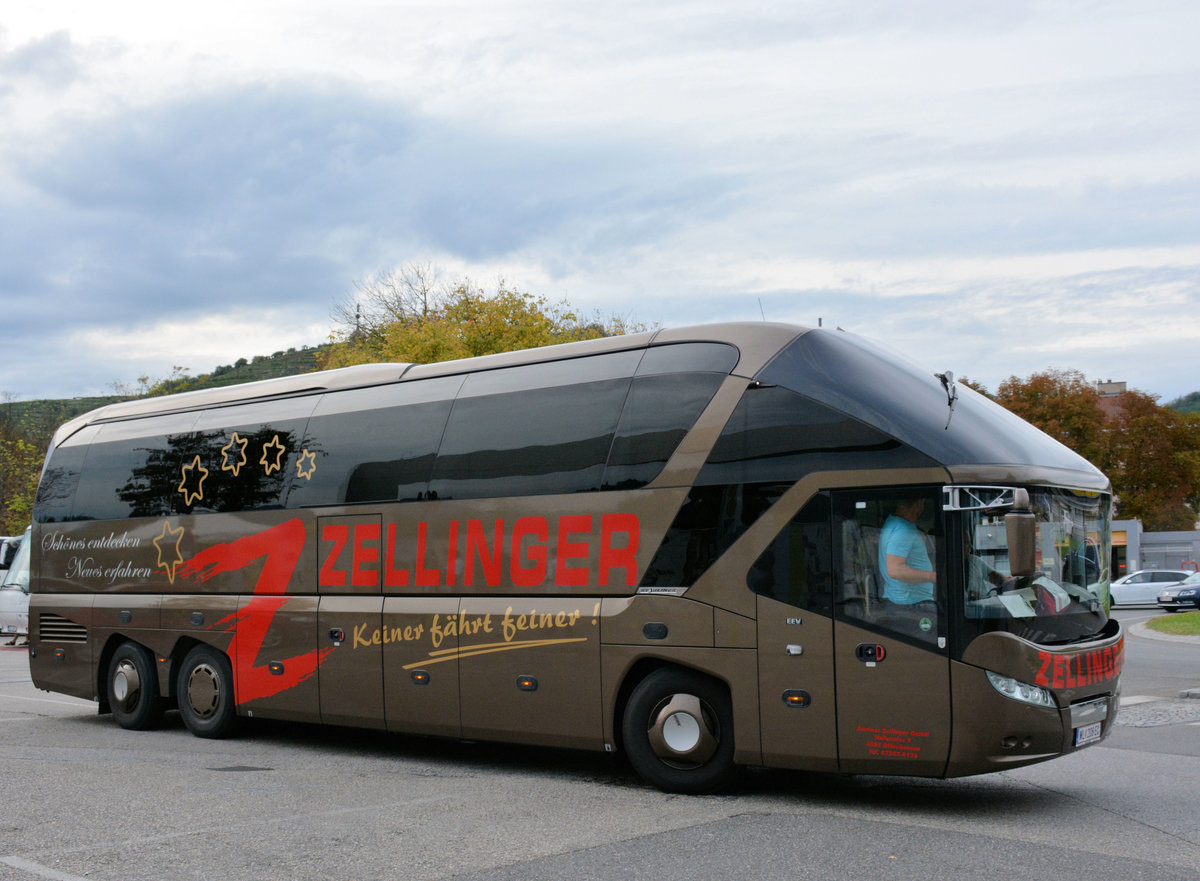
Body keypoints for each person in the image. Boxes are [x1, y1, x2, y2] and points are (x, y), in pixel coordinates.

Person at [878, 498, 935, 605]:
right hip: (911, 603)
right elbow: (895, 570)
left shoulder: (893, 522)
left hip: (900, 599)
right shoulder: (904, 529)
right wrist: (932, 576)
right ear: (919, 502)